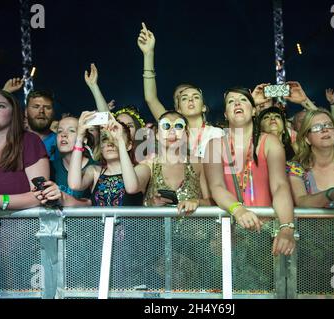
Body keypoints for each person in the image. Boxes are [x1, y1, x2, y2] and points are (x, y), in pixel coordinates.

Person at [204, 87, 296, 256]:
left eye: (243, 100)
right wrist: (238, 210)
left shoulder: (270, 142)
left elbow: (280, 186)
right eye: (231, 101)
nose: (237, 103)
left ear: (254, 110)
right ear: (226, 114)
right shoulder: (214, 145)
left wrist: (286, 227)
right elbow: (216, 186)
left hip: (266, 231)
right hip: (231, 230)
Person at [137, 22, 224, 158]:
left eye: (195, 96)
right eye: (183, 98)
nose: (190, 99)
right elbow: (150, 98)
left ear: (204, 107)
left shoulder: (217, 134)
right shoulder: (173, 132)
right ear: (178, 109)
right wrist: (148, 54)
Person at [0, 89, 62, 209]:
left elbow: (41, 195)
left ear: (13, 112)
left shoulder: (30, 142)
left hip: (18, 225)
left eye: (0, 106)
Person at [131, 111, 212, 213]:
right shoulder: (148, 165)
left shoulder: (199, 164)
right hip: (157, 228)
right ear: (157, 135)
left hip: (194, 228)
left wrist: (197, 202)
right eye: (166, 126)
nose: (172, 131)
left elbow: (212, 201)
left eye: (178, 126)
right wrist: (151, 203)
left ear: (186, 134)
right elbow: (131, 186)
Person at [68, 111, 143, 206]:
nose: (109, 143)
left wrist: (119, 139)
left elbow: (131, 188)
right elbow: (74, 185)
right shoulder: (95, 171)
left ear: (128, 146)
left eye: (114, 138)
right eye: (104, 139)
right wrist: (79, 137)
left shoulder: (141, 169)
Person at [51, 116, 97, 206]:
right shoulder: (51, 167)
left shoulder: (95, 167)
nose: (63, 134)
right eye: (60, 131)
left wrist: (64, 199)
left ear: (84, 139)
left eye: (71, 130)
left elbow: (93, 203)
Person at [25, 90, 57, 159]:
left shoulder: (61, 142)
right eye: (36, 107)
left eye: (47, 108)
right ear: (26, 112)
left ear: (53, 113)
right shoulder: (14, 140)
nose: (41, 111)